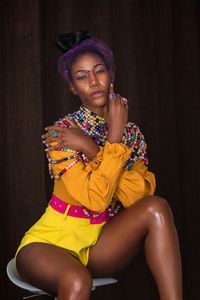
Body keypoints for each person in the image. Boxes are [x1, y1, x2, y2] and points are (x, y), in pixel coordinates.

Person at [15, 31, 182, 300]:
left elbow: (138, 198)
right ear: (73, 87)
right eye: (82, 76)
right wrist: (112, 142)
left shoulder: (132, 134)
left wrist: (95, 146)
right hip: (49, 244)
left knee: (157, 207)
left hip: (101, 244)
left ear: (111, 75)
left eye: (99, 71)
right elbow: (95, 199)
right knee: (77, 281)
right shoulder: (63, 132)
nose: (93, 81)